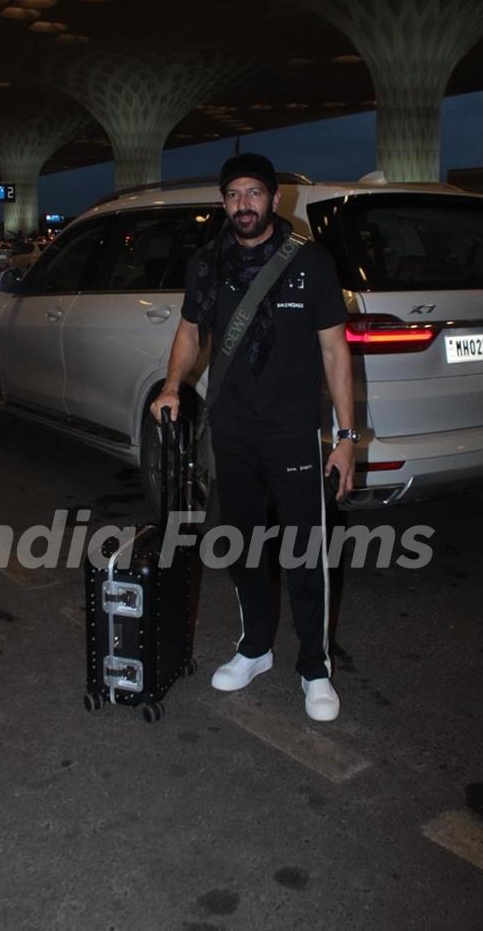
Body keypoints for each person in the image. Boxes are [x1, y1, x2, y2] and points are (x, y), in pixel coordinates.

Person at [151, 153, 357, 722]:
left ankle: (315, 667)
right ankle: (255, 648)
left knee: (306, 555)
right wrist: (173, 386)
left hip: (293, 433)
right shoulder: (206, 265)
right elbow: (191, 331)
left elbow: (335, 349)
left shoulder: (311, 264)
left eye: (254, 193)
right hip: (233, 429)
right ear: (224, 203)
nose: (244, 204)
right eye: (234, 194)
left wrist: (346, 436)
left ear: (273, 199)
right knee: (242, 547)